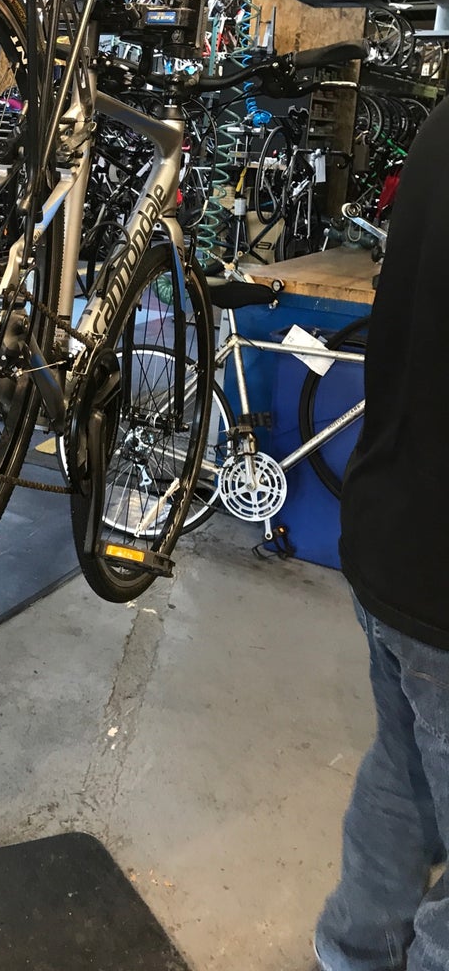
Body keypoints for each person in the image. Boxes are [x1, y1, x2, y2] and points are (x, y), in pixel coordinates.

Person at [314, 97, 449, 971]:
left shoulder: (441, 125)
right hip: (439, 571)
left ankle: (352, 951)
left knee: (404, 773)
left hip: (389, 527)